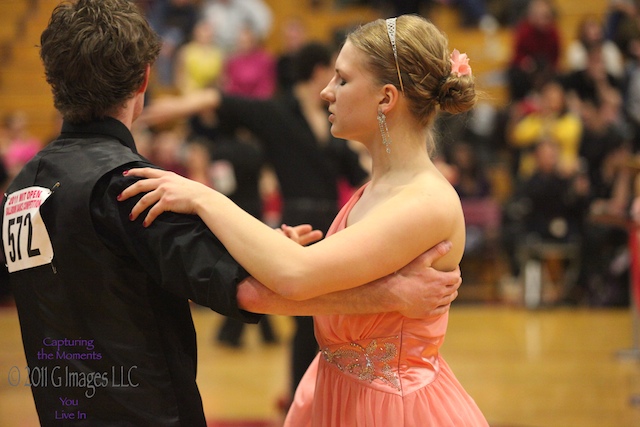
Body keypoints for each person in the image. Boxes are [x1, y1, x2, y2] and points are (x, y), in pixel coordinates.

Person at [1, 2, 462, 425]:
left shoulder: (24, 188)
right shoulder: (131, 186)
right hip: (143, 411)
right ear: (144, 79)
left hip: (61, 407)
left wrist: (255, 235)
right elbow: (259, 290)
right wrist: (392, 296)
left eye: (341, 79)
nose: (326, 92)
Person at [121, 14, 488, 426]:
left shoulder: (426, 202)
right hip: (338, 392)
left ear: (386, 99)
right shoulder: (377, 187)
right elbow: (298, 282)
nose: (327, 92)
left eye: (343, 80)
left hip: (391, 410)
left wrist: (202, 197)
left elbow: (295, 277)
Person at [135, 41, 372, 411]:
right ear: (318, 72)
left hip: (336, 225)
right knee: (306, 321)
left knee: (333, 320)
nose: (335, 87)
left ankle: (325, 395)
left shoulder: (331, 123)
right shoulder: (278, 113)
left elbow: (358, 173)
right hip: (301, 222)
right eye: (334, 75)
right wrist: (174, 107)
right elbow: (221, 101)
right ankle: (300, 398)